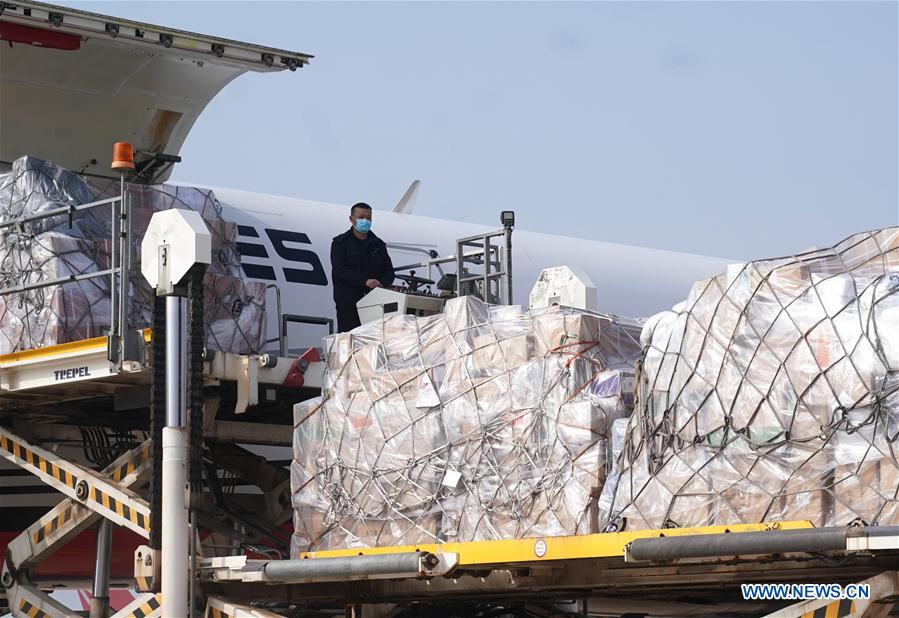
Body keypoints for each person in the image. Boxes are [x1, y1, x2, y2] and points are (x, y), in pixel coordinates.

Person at [330, 202, 395, 332]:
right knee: (350, 340)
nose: (365, 221)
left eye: (368, 218)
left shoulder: (378, 245)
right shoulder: (340, 243)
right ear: (351, 219)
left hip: (374, 303)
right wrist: (364, 281)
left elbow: (389, 271)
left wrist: (381, 284)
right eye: (361, 217)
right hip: (349, 304)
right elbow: (340, 270)